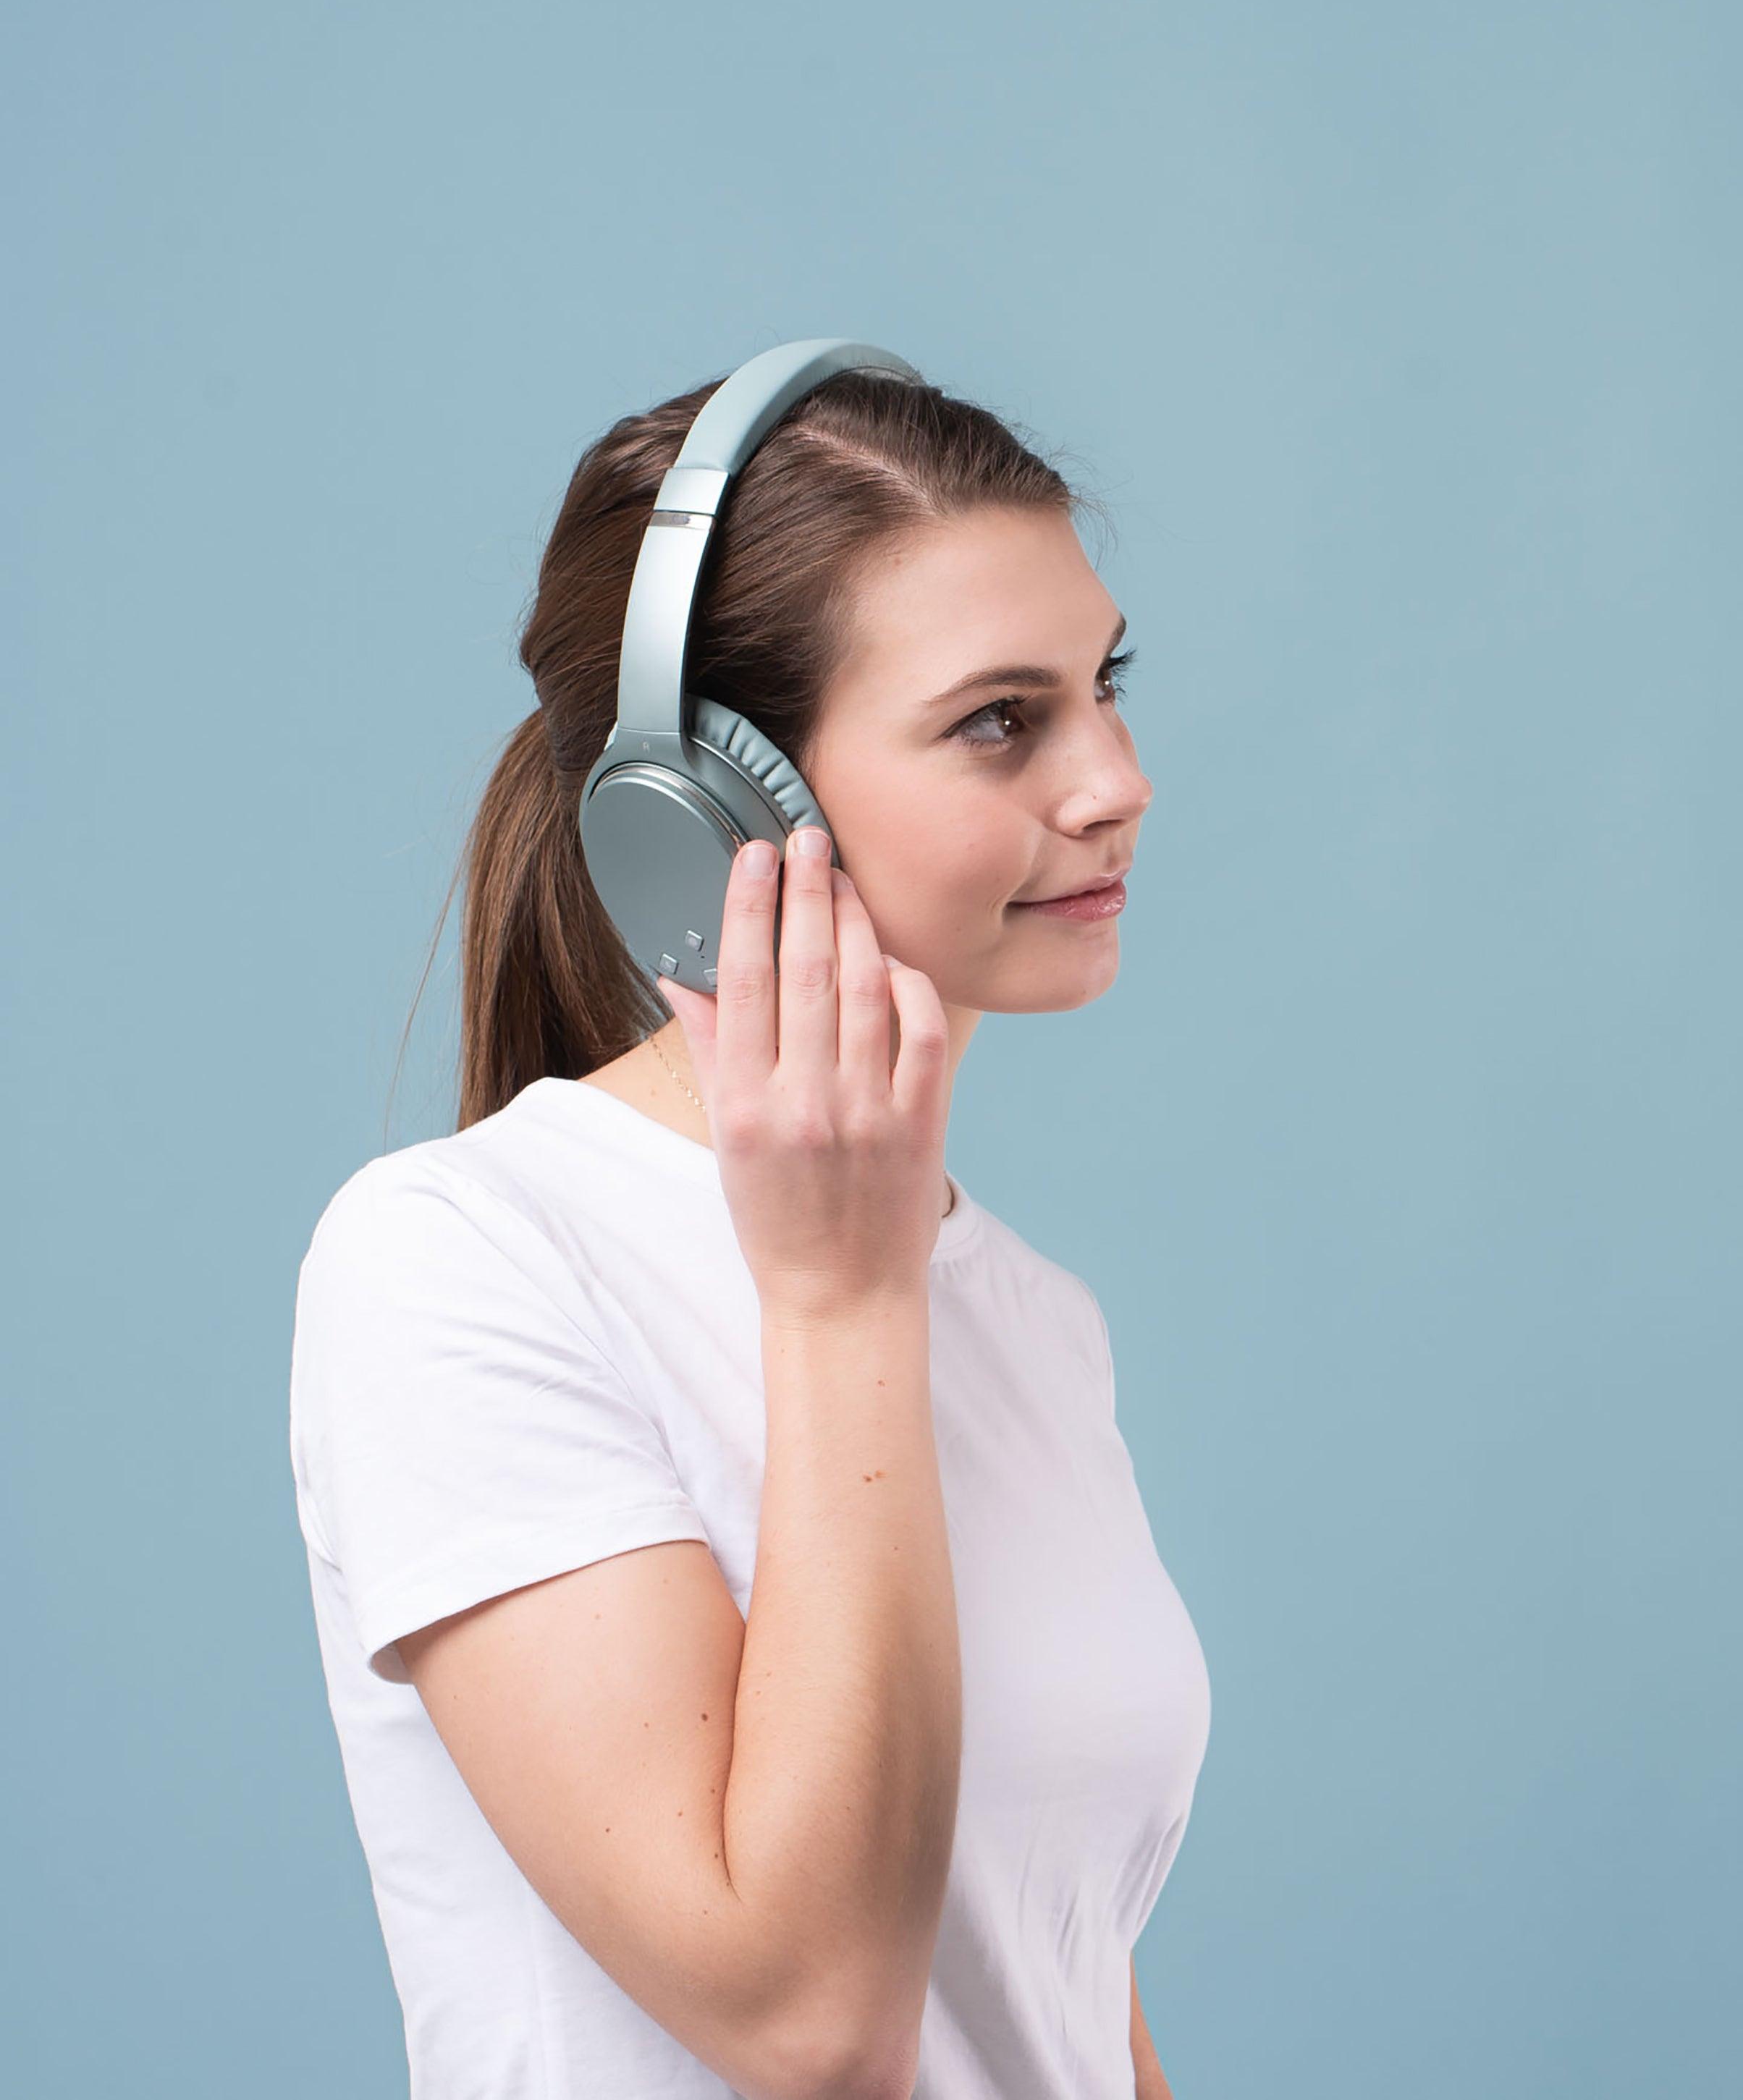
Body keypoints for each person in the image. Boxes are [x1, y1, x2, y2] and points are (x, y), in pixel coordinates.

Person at [289, 360, 1205, 2099]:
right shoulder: (459, 1263)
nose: (1117, 780)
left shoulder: (1035, 1315)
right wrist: (842, 1302)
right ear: (713, 811)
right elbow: (810, 2020)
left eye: (1107, 684)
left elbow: (1060, 1998)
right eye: (999, 720)